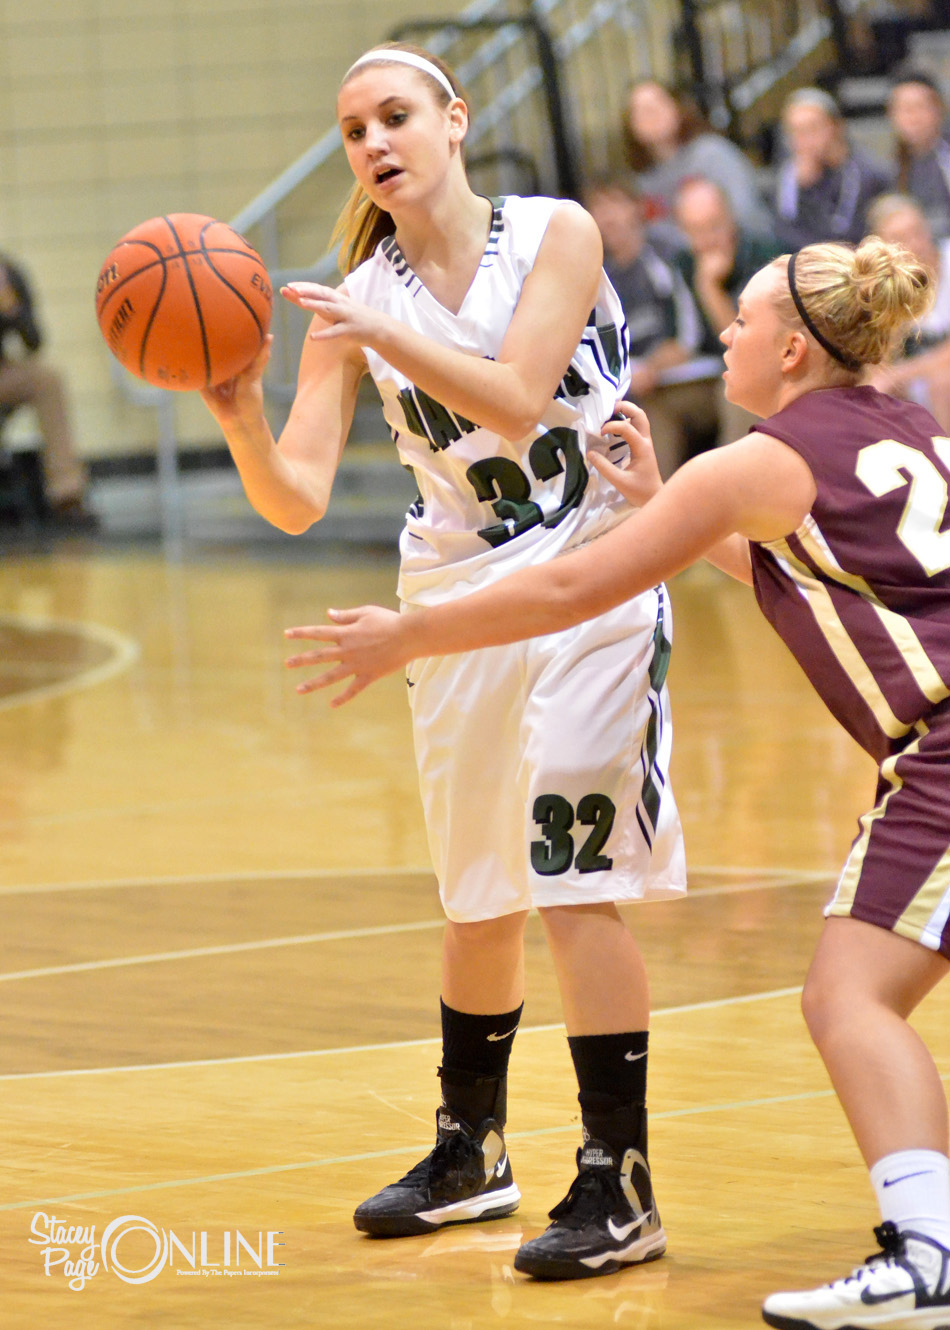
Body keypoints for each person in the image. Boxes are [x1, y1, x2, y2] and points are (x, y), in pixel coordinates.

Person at [287, 235, 950, 1329]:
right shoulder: (903, 429)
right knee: (854, 991)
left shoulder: (748, 465)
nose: (723, 333)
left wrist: (410, 632)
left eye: (738, 319)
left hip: (939, 750)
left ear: (789, 348)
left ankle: (925, 1252)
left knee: (846, 995)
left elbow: (571, 588)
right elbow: (816, 583)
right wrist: (663, 509)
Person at [200, 41, 686, 1281]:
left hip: (593, 569)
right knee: (476, 898)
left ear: (455, 120)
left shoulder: (555, 232)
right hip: (454, 590)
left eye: (395, 115)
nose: (373, 141)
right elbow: (299, 499)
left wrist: (373, 326)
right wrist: (238, 410)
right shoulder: (354, 299)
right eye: (354, 125)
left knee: (573, 883)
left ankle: (615, 1181)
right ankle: (470, 1149)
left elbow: (520, 398)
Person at [584, 175, 711, 476]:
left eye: (614, 204)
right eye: (597, 208)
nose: (607, 216)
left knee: (647, 414)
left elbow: (687, 340)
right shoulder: (597, 273)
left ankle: (654, 506)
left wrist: (652, 368)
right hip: (629, 389)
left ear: (636, 208)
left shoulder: (665, 256)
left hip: (685, 381)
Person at [669, 176, 779, 452]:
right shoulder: (681, 262)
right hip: (704, 374)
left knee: (736, 395)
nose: (707, 241)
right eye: (695, 231)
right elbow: (685, 337)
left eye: (714, 227)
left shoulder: (766, 256)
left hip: (759, 371)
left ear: (731, 218)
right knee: (651, 405)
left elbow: (748, 346)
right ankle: (654, 495)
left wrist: (709, 289)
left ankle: (728, 490)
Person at [0, 254, 95, 528]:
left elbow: (34, 343)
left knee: (48, 379)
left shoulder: (9, 275)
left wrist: (13, 311)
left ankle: (67, 494)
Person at [623, 79, 772, 249]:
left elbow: (746, 212)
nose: (652, 114)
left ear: (677, 108)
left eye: (658, 103)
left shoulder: (712, 153)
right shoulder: (643, 182)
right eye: (641, 111)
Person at [865, 192, 950, 431]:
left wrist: (902, 374)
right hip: (915, 380)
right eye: (900, 239)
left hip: (936, 381)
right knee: (874, 391)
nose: (914, 244)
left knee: (942, 383)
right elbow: (878, 357)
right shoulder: (885, 284)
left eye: (917, 231)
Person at [774, 87, 891, 250]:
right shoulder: (790, 177)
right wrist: (805, 191)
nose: (804, 139)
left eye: (812, 128)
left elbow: (849, 233)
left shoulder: (870, 175)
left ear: (836, 127)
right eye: (795, 131)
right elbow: (784, 233)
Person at [888, 69, 950, 240]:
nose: (912, 118)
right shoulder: (893, 167)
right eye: (903, 109)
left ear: (939, 109)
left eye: (918, 107)